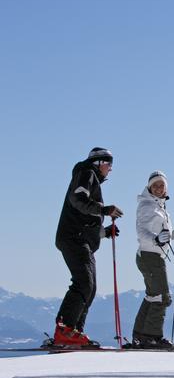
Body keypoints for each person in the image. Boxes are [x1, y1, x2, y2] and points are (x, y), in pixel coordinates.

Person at [53, 147, 124, 347]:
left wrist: (103, 232)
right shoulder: (86, 174)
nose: (110, 169)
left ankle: (74, 331)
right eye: (109, 164)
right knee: (84, 283)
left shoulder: (89, 177)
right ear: (99, 163)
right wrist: (103, 209)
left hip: (78, 237)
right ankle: (65, 330)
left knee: (89, 287)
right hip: (73, 238)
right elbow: (78, 200)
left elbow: (83, 218)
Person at [130, 170, 174, 350]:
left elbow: (161, 234)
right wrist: (155, 239)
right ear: (149, 187)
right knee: (162, 297)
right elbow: (142, 232)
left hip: (152, 255)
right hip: (150, 256)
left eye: (161, 185)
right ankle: (152, 337)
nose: (159, 188)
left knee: (153, 296)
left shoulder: (159, 206)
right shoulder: (147, 206)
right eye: (155, 185)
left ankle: (140, 336)